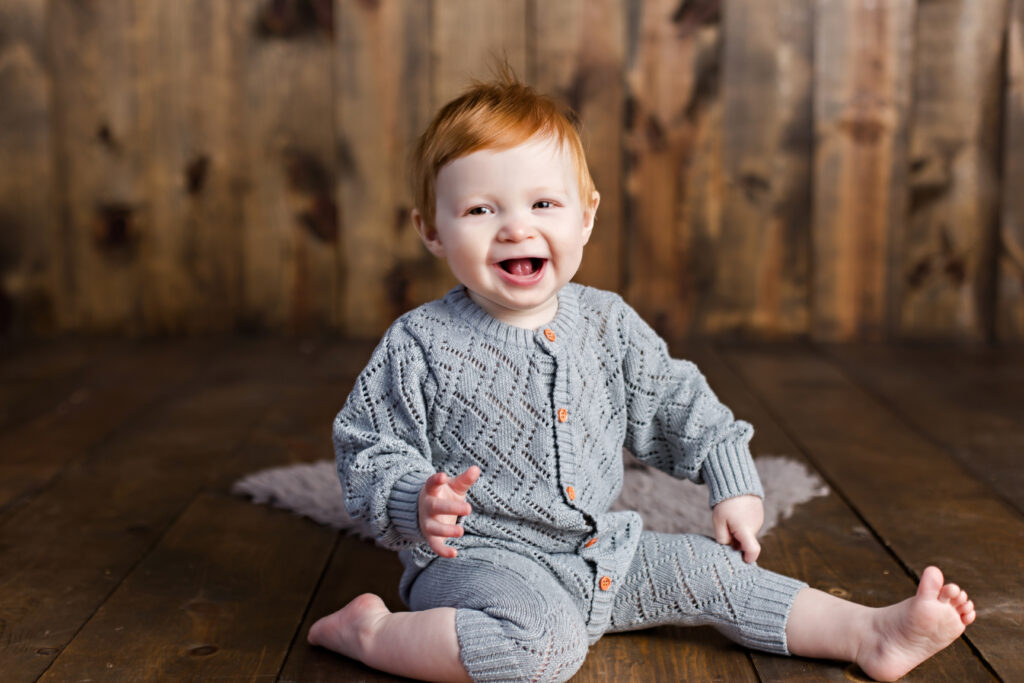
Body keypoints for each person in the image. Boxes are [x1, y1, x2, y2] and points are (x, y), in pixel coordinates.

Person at [308, 71, 975, 683]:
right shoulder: (421, 342)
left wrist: (730, 475)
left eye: (543, 203)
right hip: (480, 562)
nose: (516, 227)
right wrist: (414, 500)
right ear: (432, 230)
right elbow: (369, 445)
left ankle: (867, 633)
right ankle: (374, 633)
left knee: (712, 571)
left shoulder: (606, 323)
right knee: (541, 645)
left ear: (587, 214)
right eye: (481, 210)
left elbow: (676, 402)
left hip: (603, 551)